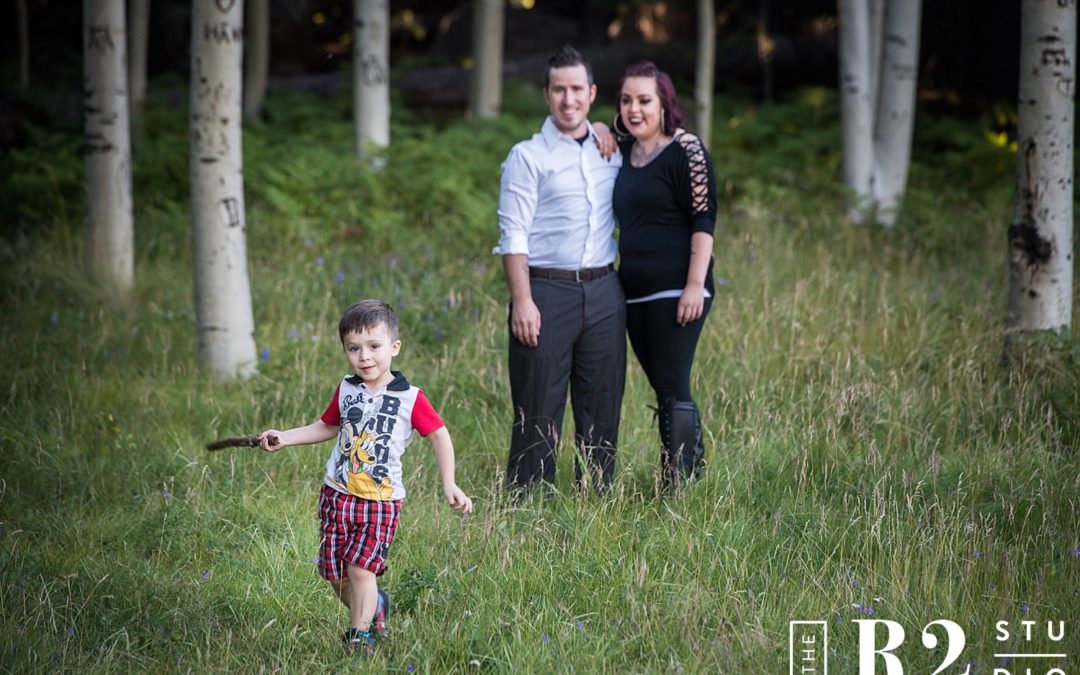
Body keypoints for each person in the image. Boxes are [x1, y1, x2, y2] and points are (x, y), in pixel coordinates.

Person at [258, 299, 473, 655]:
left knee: (361, 570)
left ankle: (359, 637)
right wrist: (287, 437)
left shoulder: (409, 397)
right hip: (337, 495)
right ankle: (375, 607)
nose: (365, 357)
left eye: (374, 347)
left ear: (394, 348)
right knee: (336, 574)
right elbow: (326, 425)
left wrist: (449, 482)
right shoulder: (347, 388)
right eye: (354, 349)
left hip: (381, 501)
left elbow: (439, 435)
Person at [494, 44, 626, 493]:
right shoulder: (527, 157)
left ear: (591, 93)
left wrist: (607, 128)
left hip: (605, 289)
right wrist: (522, 301)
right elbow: (513, 234)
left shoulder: (611, 149)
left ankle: (597, 495)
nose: (567, 100)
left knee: (602, 401)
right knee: (538, 404)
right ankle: (529, 504)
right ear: (546, 95)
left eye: (576, 90)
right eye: (558, 90)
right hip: (546, 292)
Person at [611, 61, 718, 489]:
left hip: (678, 289)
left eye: (644, 100)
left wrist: (695, 284)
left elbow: (704, 220)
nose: (634, 109)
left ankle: (682, 481)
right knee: (662, 388)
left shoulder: (686, 149)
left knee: (673, 385)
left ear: (664, 103)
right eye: (626, 100)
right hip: (633, 292)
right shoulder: (621, 150)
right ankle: (687, 470)